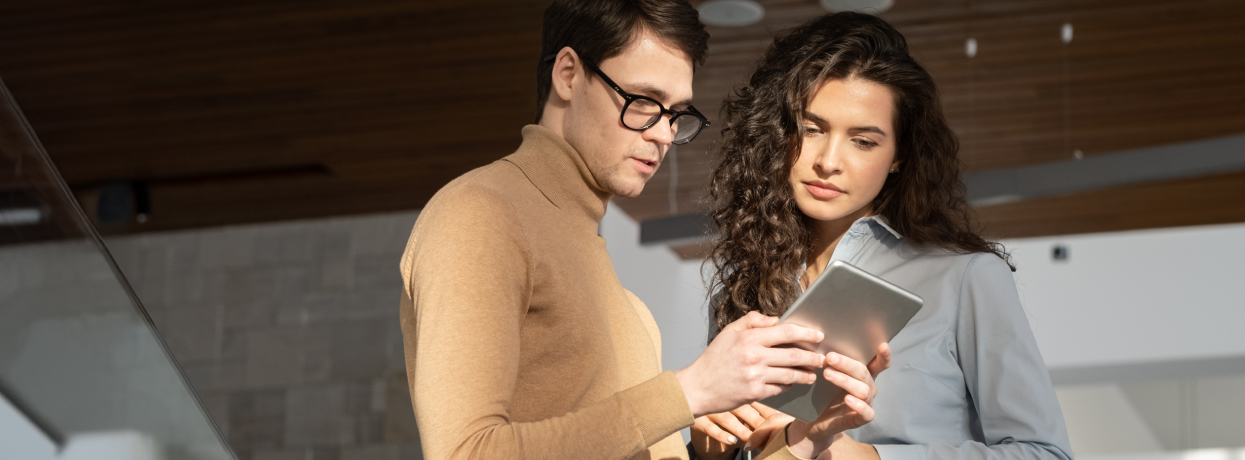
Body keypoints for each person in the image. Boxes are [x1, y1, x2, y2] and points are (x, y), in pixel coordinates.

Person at [397, 1, 833, 459]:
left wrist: (801, 442)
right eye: (644, 101)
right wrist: (687, 393)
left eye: (675, 112)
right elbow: (465, 453)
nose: (664, 134)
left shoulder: (624, 302)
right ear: (568, 74)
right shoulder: (480, 214)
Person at [691, 12, 1075, 460]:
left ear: (899, 155)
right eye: (811, 130)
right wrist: (706, 446)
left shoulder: (966, 277)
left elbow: (1045, 454)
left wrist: (873, 458)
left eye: (864, 141)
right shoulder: (747, 287)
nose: (828, 161)